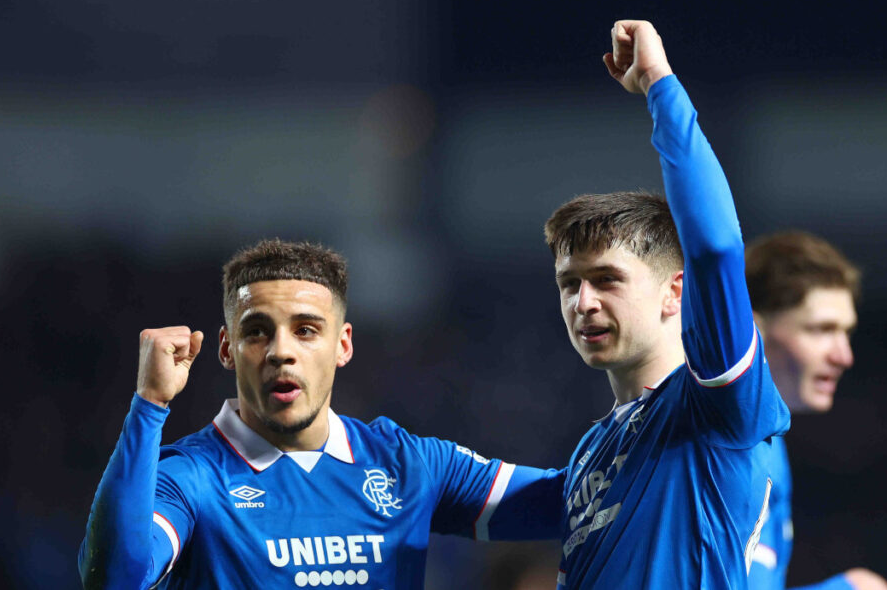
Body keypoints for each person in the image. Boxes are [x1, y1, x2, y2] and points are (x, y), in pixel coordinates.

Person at [78, 240, 564, 589]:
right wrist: (150, 405)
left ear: (342, 345)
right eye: (257, 331)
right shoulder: (190, 479)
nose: (280, 351)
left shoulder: (409, 465)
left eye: (306, 330)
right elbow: (115, 579)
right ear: (226, 349)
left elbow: (564, 502)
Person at [543, 20, 790, 588]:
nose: (584, 302)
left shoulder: (711, 404)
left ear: (675, 291)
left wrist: (659, 83)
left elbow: (715, 246)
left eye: (607, 279)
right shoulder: (591, 450)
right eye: (569, 284)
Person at [745, 231, 887, 590]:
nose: (844, 356)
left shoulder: (769, 443)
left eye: (846, 333)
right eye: (821, 330)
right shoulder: (723, 442)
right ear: (753, 330)